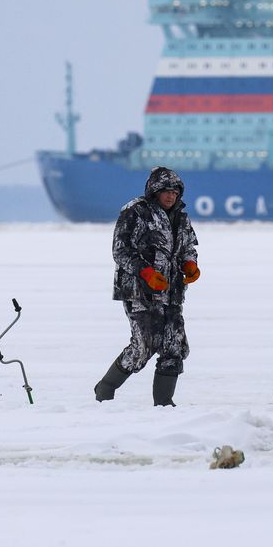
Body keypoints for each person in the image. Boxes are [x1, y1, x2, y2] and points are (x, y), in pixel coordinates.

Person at [93, 166, 200, 406]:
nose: (171, 196)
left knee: (175, 346)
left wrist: (190, 264)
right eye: (166, 191)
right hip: (139, 291)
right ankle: (105, 388)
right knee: (143, 346)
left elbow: (187, 247)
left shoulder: (181, 216)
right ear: (154, 191)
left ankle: (164, 404)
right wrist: (146, 272)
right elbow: (120, 251)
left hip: (171, 292)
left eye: (175, 191)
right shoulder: (135, 212)